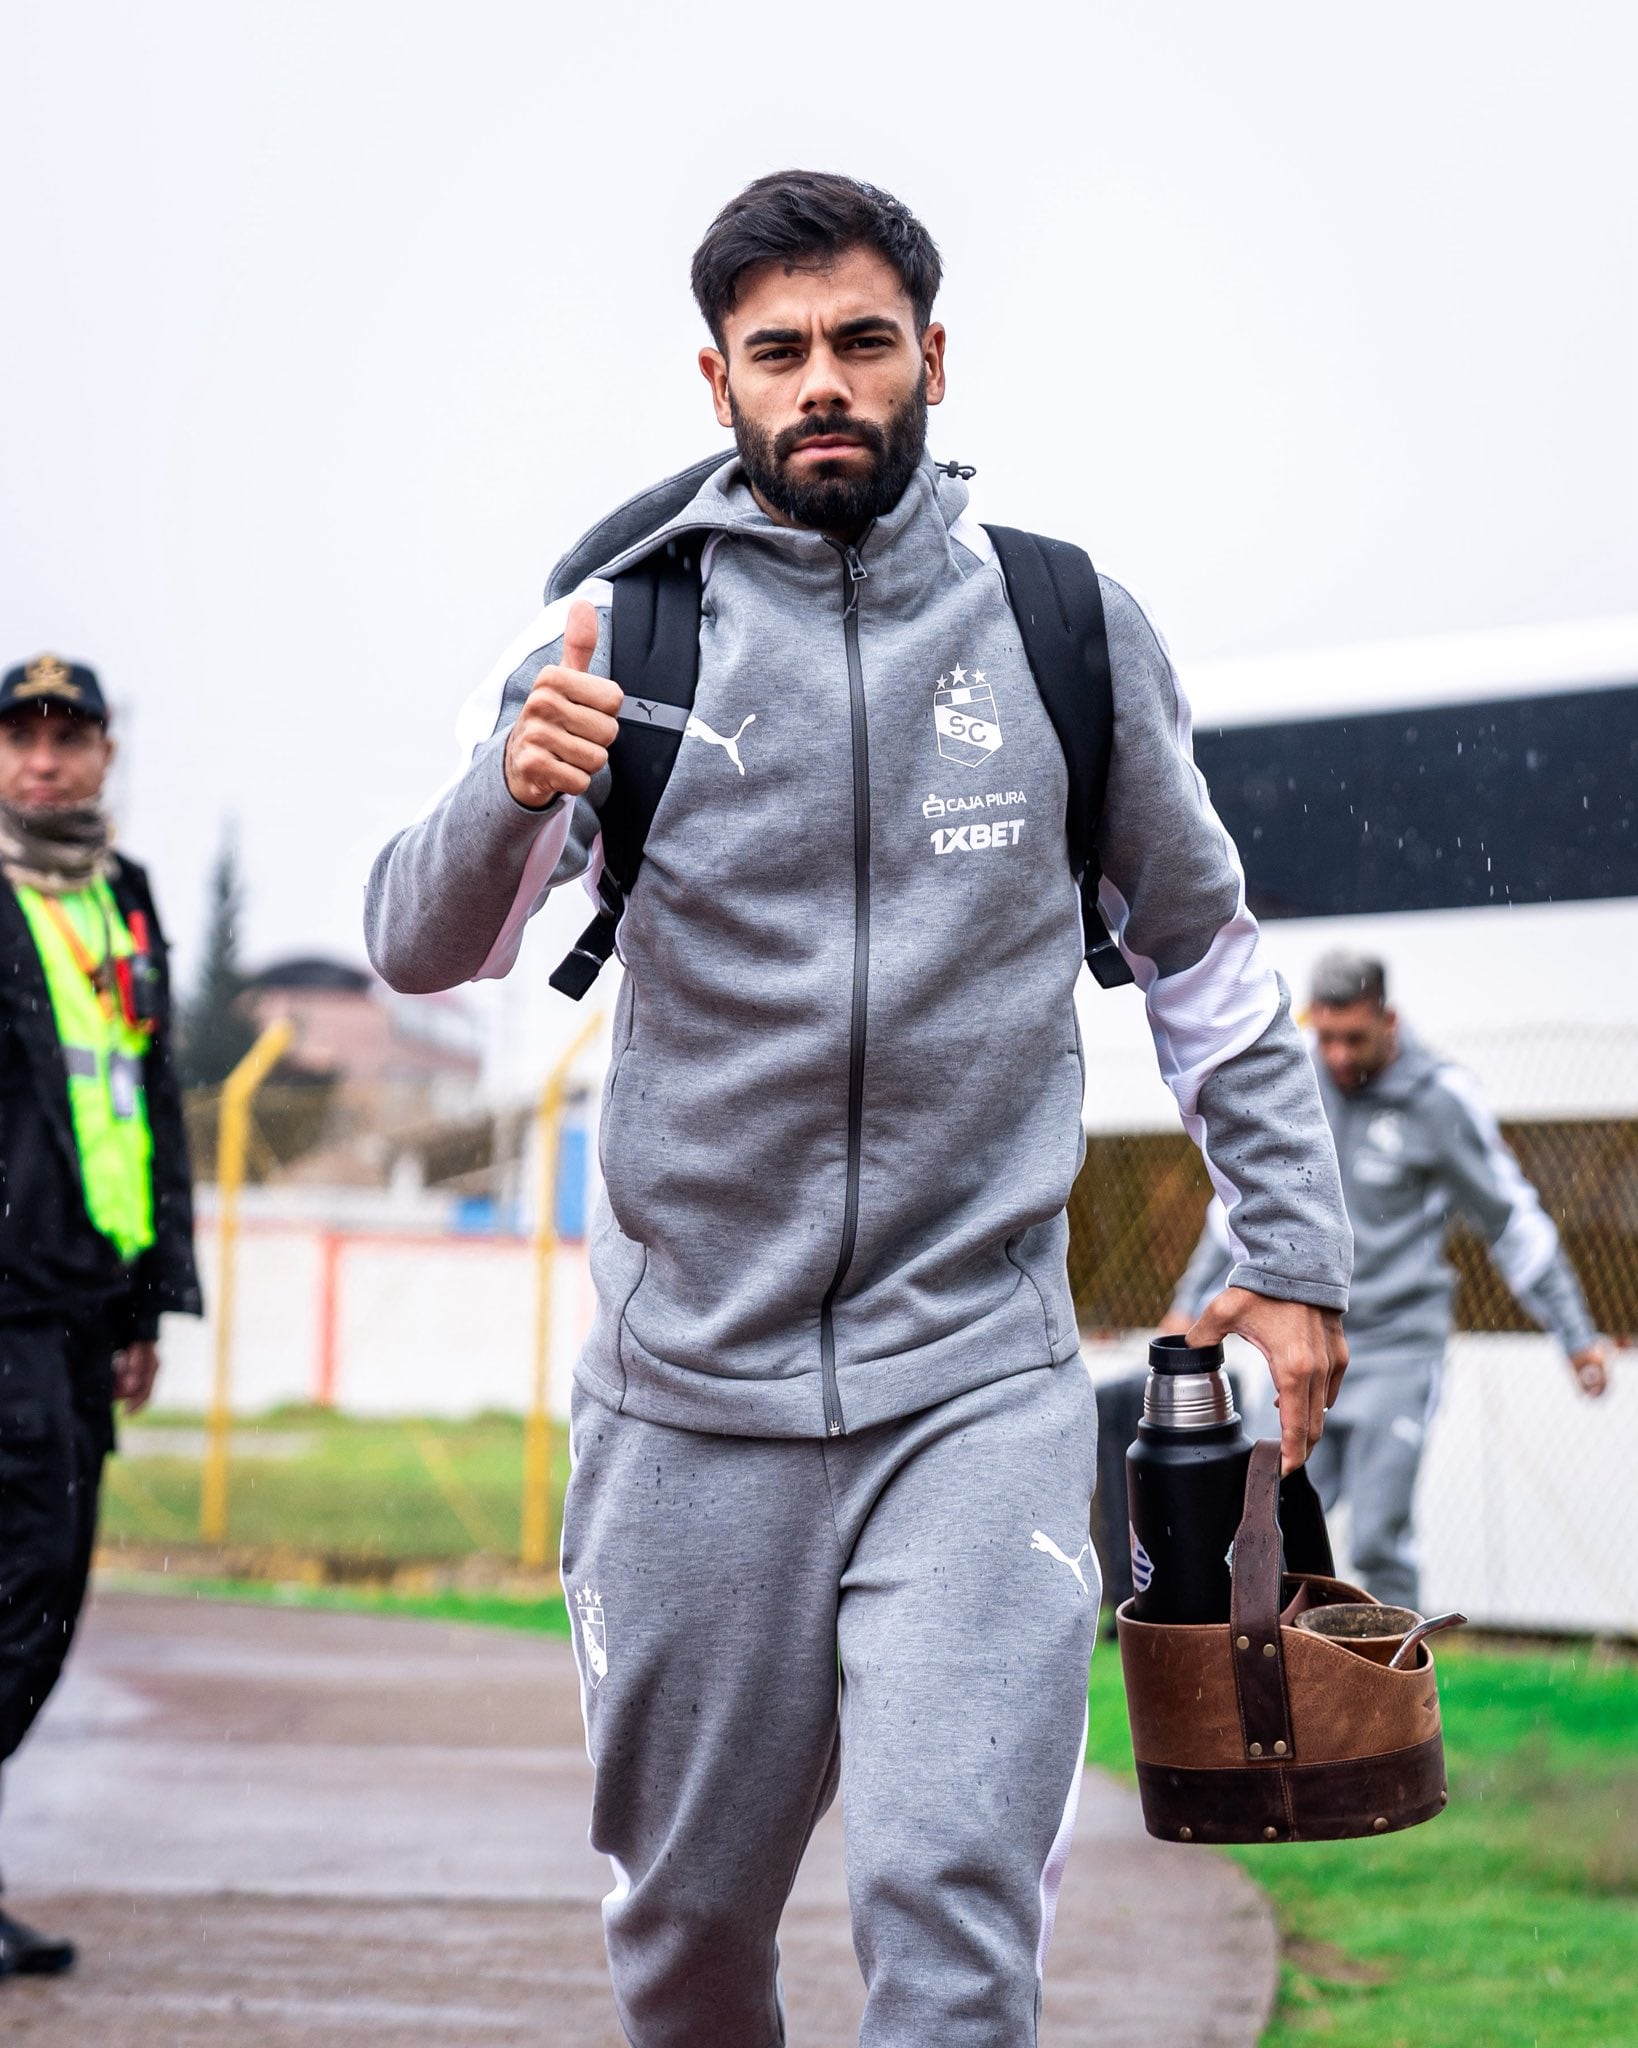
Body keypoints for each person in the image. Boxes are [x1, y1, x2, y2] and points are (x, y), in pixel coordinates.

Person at [367, 171, 1352, 2047]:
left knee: (948, 1904)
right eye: (779, 351)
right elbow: (421, 949)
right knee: (683, 1926)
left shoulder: (1063, 625)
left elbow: (1206, 962)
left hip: (971, 1387)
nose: (823, 381)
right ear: (717, 380)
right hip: (685, 1408)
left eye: (861, 343)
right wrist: (506, 788)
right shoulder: (615, 637)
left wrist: (1294, 1250)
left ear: (933, 358)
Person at [1166, 947, 1607, 1613]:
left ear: (1388, 1020)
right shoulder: (1298, 1087)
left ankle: (1398, 1703)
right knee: (1253, 1532)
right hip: (1302, 1346)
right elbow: (1231, 1211)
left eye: (1355, 1038)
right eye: (1327, 1038)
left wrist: (1576, 1337)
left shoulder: (1440, 1101)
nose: (1339, 1056)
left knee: (1376, 1542)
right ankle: (1264, 1696)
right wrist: (1185, 1307)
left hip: (1398, 1350)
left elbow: (1512, 1222)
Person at [0, 655, 201, 1980]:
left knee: (51, 1598)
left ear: (104, 757)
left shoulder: (118, 897)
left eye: (67, 741)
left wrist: (150, 1299)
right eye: (20, 738)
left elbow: (146, 1098)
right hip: (0, 1306)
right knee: (15, 1588)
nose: (42, 763)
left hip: (85, 1304)